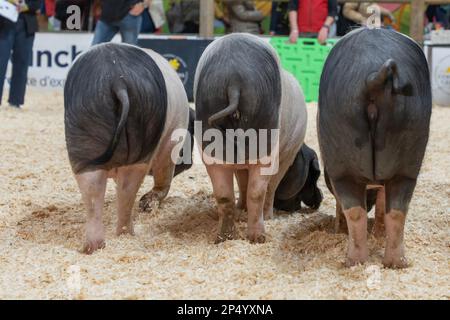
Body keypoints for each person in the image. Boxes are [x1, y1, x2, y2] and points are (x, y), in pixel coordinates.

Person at [0, 0, 42, 109]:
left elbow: (38, 4)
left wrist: (25, 6)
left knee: (22, 64)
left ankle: (16, 101)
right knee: (0, 62)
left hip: (26, 23)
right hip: (4, 21)